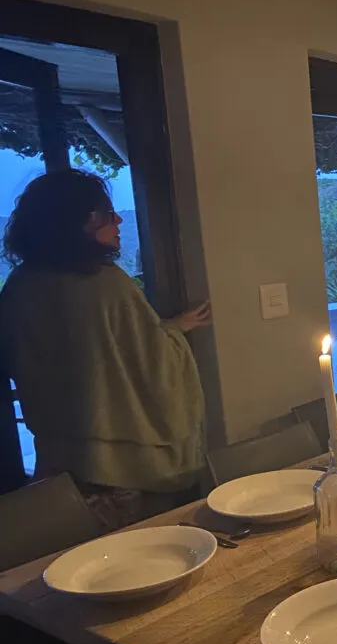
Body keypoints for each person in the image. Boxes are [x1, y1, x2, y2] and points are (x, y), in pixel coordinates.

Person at [0, 170, 211, 530]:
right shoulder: (107, 285)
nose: (117, 220)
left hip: (62, 465)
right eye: (105, 213)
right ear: (78, 222)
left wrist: (172, 327)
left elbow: (95, 352)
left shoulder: (19, 288)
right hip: (126, 470)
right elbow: (153, 368)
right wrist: (171, 339)